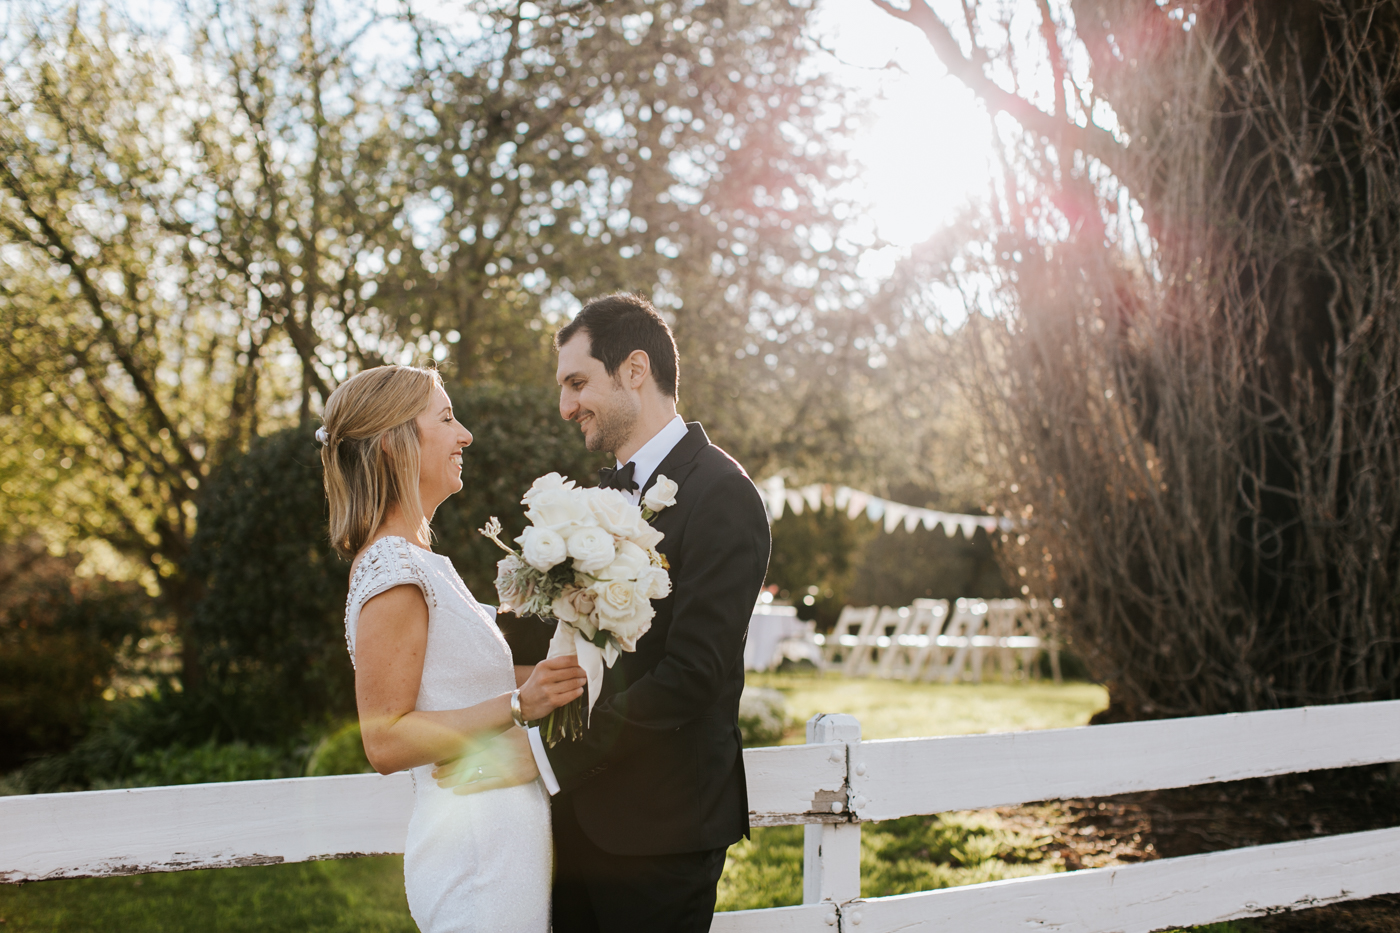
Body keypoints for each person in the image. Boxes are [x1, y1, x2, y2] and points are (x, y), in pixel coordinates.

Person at [437, 294, 772, 932]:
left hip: (662, 833)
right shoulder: (597, 498)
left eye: (577, 382)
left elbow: (693, 674)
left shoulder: (723, 495)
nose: (566, 406)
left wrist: (543, 758)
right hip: (575, 826)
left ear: (635, 370)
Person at [320, 364, 588, 933]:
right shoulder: (393, 570)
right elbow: (385, 739)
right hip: (474, 856)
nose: (464, 434)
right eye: (446, 418)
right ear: (395, 445)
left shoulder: (423, 563)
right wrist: (520, 705)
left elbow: (467, 680)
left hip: (502, 843)